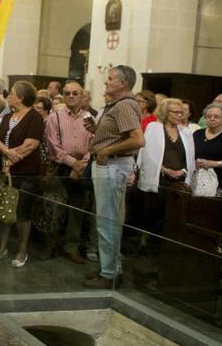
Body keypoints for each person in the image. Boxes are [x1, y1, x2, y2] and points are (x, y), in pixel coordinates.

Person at [82, 65, 144, 289]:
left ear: (123, 83)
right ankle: (109, 267)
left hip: (112, 165)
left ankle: (109, 274)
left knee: (107, 220)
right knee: (108, 219)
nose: (106, 82)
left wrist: (106, 151)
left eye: (110, 79)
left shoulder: (125, 105)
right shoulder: (116, 105)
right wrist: (97, 129)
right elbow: (116, 134)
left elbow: (138, 140)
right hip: (110, 164)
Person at [0, 81, 44, 268]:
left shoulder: (34, 118)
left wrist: (11, 158)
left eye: (12, 93)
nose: (8, 96)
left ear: (20, 97)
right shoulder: (8, 116)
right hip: (6, 172)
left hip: (26, 173)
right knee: (5, 210)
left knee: (22, 213)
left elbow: (31, 145)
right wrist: (6, 154)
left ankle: (22, 251)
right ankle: (2, 248)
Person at [44, 81, 94, 264]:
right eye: (67, 93)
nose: (71, 96)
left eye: (75, 93)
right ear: (63, 96)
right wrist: (74, 163)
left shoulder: (90, 118)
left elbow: (93, 144)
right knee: (54, 208)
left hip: (82, 168)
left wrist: (83, 164)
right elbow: (54, 146)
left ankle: (71, 247)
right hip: (59, 166)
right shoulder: (54, 117)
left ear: (82, 96)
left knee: (77, 210)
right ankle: (50, 245)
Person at [135, 98, 194, 250]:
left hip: (178, 180)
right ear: (165, 113)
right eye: (176, 112)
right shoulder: (154, 127)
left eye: (181, 112)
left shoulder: (186, 132)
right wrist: (163, 169)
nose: (180, 115)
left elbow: (189, 157)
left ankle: (167, 245)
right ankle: (144, 243)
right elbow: (147, 154)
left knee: (173, 215)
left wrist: (183, 171)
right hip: (157, 177)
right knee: (150, 211)